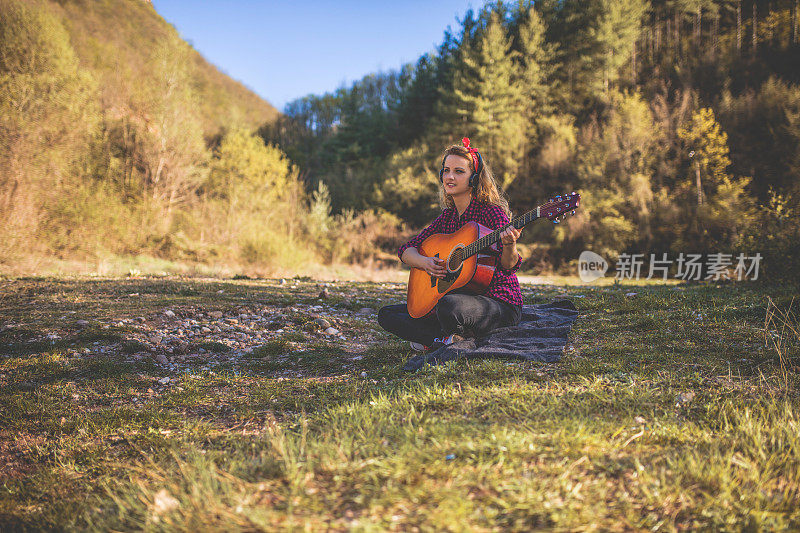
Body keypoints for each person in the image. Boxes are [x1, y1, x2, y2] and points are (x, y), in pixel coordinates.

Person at [377, 138, 523, 352]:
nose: (450, 177)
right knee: (387, 314)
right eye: (446, 171)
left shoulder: (492, 213)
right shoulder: (448, 218)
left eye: (459, 171)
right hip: (461, 299)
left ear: (474, 178)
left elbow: (509, 266)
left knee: (448, 306)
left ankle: (436, 339)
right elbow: (406, 250)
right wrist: (425, 262)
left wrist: (510, 245)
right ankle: (446, 339)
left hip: (497, 303)